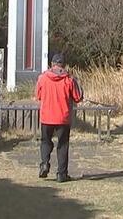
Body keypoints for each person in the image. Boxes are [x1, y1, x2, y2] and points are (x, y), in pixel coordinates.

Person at [35, 53, 83, 183]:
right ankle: (61, 174)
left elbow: (38, 96)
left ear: (52, 64)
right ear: (63, 65)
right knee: (62, 145)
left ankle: (45, 163)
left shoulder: (43, 78)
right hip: (63, 117)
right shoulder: (69, 79)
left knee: (45, 141)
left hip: (46, 117)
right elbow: (78, 97)